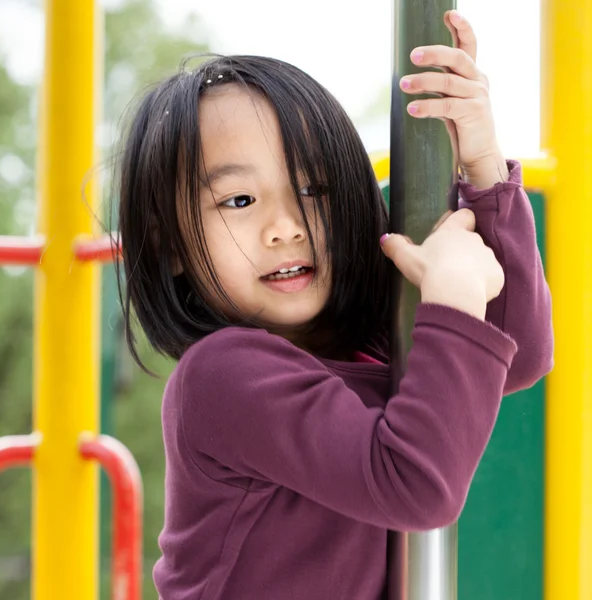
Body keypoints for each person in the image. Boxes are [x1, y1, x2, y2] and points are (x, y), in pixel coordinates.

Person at [116, 10, 553, 600]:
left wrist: (481, 162)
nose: (285, 226)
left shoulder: (369, 345)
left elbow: (517, 353)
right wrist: (449, 301)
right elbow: (413, 486)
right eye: (240, 199)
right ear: (169, 244)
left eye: (313, 189)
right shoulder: (221, 375)